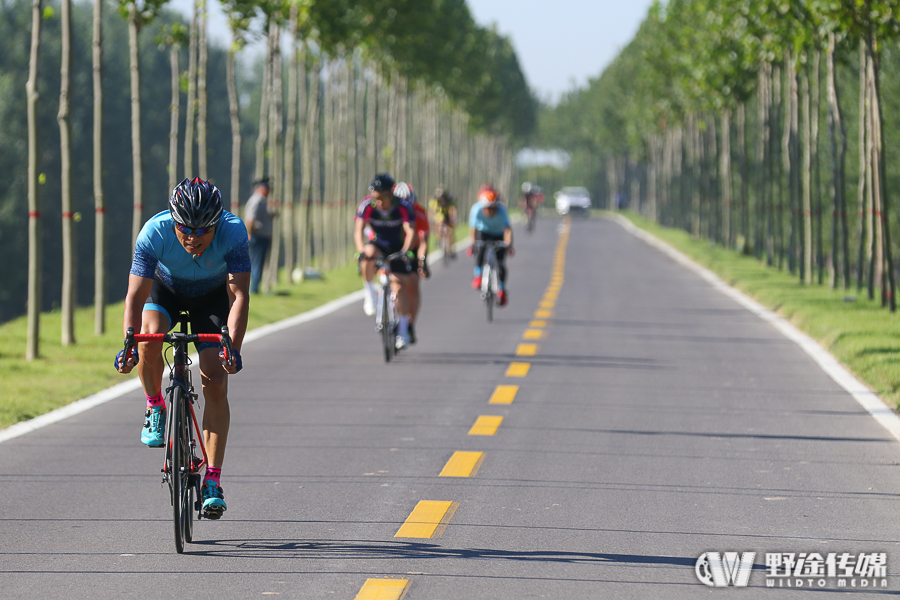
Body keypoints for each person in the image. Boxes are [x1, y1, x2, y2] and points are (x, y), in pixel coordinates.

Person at [115, 177, 251, 520]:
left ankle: (213, 481)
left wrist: (231, 349)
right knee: (149, 336)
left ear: (217, 224)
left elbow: (239, 296)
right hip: (166, 293)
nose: (193, 237)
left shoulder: (234, 232)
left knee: (215, 377)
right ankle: (155, 404)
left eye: (203, 230)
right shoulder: (154, 232)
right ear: (172, 221)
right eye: (184, 229)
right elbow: (135, 296)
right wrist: (129, 344)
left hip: (212, 298)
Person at [354, 173, 417, 349]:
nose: (379, 202)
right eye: (376, 198)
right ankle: (369, 293)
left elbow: (410, 231)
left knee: (400, 287)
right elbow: (359, 230)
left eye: (383, 197)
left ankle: (403, 331)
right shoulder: (367, 205)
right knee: (368, 254)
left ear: (392, 193)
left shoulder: (403, 207)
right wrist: (360, 251)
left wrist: (405, 251)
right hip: (377, 245)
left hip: (397, 247)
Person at [393, 181, 429, 344]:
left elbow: (423, 241)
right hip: (391, 250)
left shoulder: (419, 213)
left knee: (413, 282)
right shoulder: (386, 210)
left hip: (411, 251)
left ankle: (409, 324)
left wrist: (422, 261)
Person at [469, 184, 514, 306]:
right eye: (487, 208)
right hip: (483, 232)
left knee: (500, 263)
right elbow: (473, 229)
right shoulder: (476, 209)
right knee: (480, 251)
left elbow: (508, 230)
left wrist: (509, 245)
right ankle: (478, 275)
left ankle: (502, 289)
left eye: (493, 208)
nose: (490, 211)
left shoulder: (502, 211)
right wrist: (473, 245)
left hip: (499, 234)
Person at [243, 178, 275, 294]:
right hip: (257, 237)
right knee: (256, 262)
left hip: (262, 237)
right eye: (266, 189)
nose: (269, 191)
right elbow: (250, 219)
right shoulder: (256, 201)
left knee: (259, 262)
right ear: (260, 189)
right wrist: (250, 233)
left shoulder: (262, 201)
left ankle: (255, 287)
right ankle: (253, 289)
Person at [429, 187, 457, 257]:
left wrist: (453, 218)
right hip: (440, 214)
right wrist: (431, 218)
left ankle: (451, 246)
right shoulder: (434, 202)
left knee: (450, 230)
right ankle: (439, 240)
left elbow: (453, 210)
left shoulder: (450, 201)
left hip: (448, 214)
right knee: (438, 224)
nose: (442, 201)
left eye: (443, 199)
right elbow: (432, 211)